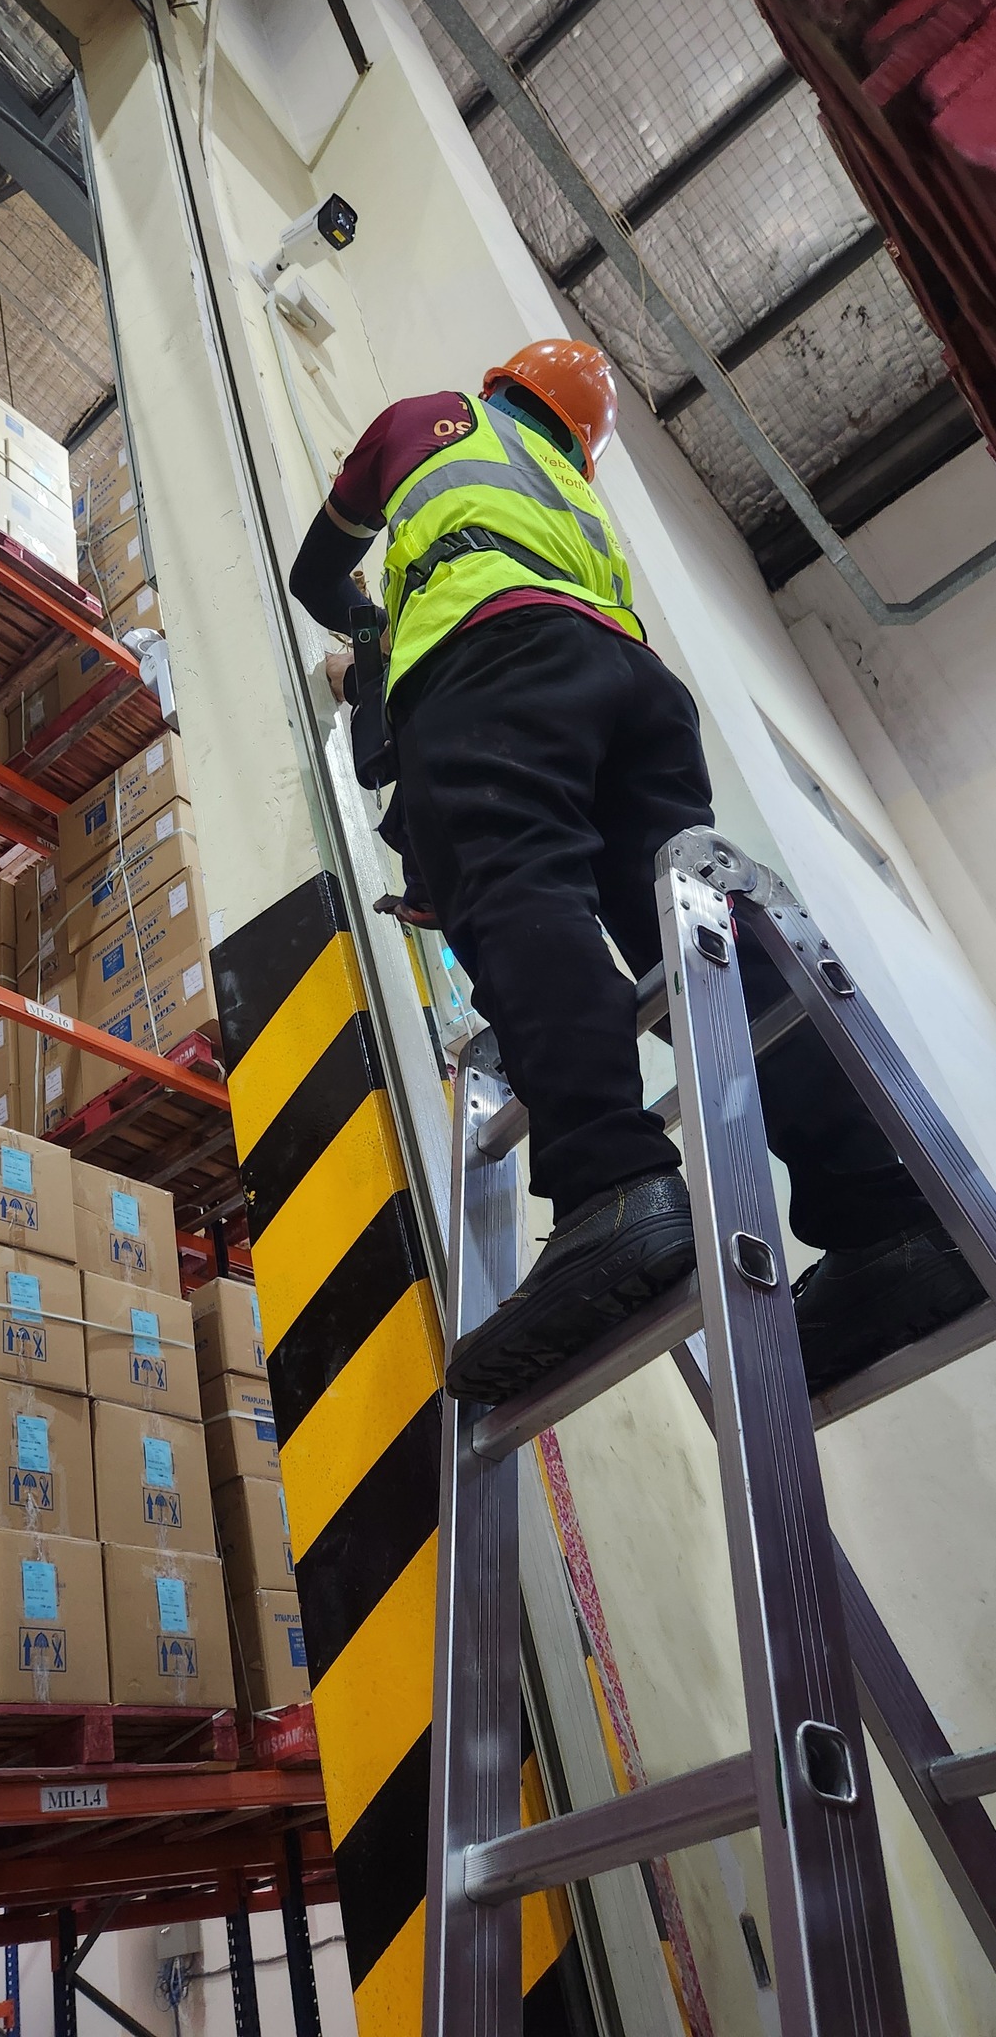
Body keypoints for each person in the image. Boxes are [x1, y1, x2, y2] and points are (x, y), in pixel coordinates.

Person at [290, 338, 984, 1404]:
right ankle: (880, 1214)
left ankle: (611, 1184)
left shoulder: (426, 420)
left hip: (491, 660)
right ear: (583, 441)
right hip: (636, 689)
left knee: (519, 885)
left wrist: (373, 635)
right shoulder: (577, 497)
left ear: (501, 386)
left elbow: (315, 576)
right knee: (692, 937)